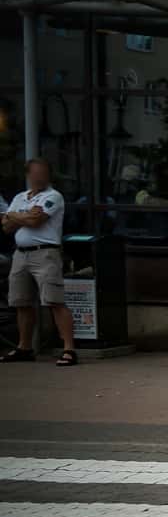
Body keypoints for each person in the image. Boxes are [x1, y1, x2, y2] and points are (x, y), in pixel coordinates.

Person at [4, 157, 78, 366]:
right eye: (36, 173)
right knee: (21, 302)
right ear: (28, 175)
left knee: (54, 301)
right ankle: (24, 347)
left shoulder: (54, 196)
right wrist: (23, 216)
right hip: (20, 254)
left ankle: (69, 349)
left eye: (44, 173)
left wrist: (14, 216)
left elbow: (36, 221)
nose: (40, 177)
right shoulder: (20, 196)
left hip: (45, 254)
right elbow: (5, 226)